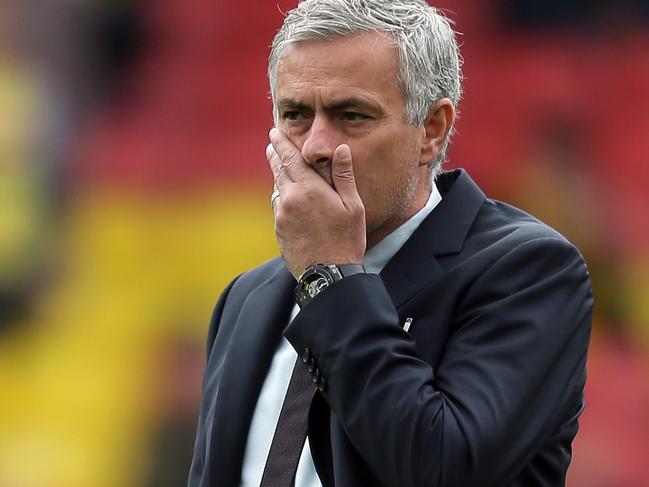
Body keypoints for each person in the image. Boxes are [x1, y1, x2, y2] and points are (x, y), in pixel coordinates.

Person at [188, 1, 593, 486]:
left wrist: (330, 279)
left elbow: (442, 468)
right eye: (295, 114)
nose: (315, 145)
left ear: (431, 129)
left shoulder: (528, 272)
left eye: (352, 115)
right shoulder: (246, 299)